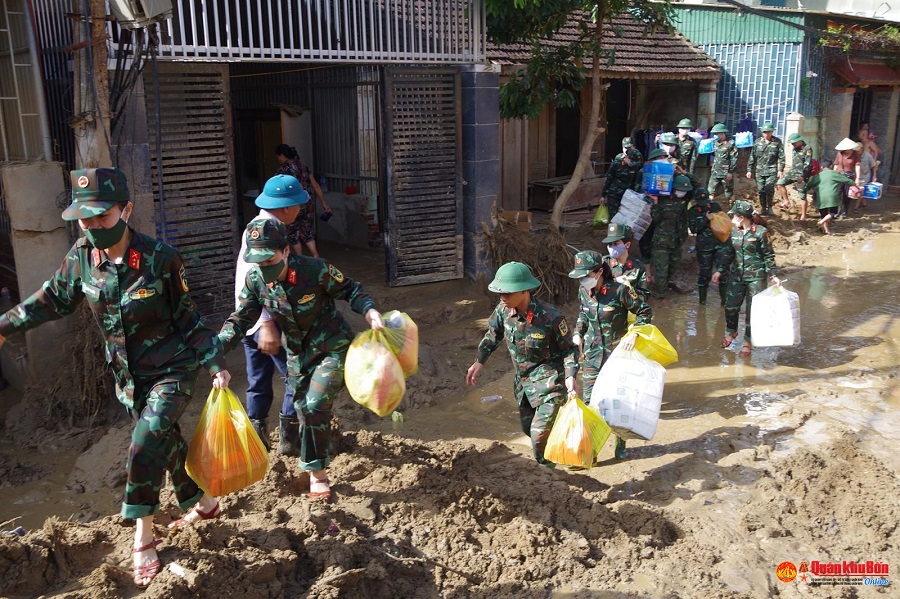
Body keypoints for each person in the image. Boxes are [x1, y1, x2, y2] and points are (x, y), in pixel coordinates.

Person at [0, 167, 231, 587]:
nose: (91, 227)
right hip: (128, 379)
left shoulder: (161, 258)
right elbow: (51, 300)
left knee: (145, 441)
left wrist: (214, 363)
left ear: (126, 210)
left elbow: (189, 319)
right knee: (168, 441)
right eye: (84, 219)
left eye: (100, 217)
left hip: (173, 370)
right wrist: (4, 327)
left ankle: (143, 535)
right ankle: (204, 502)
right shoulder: (81, 259)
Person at [219, 219, 384, 502]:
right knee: (303, 409)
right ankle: (321, 442)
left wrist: (369, 312)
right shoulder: (256, 279)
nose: (264, 267)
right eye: (257, 261)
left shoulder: (314, 270)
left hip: (332, 347)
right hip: (297, 353)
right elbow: (240, 319)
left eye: (269, 259)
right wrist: (215, 348)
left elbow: (350, 289)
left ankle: (317, 474)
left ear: (285, 251)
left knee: (314, 404)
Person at [466, 262, 578, 468]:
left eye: (507, 293)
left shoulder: (551, 317)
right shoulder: (502, 311)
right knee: (528, 429)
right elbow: (492, 336)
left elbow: (569, 349)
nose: (502, 298)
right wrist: (478, 362)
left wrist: (571, 376)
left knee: (537, 435)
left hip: (550, 382)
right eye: (500, 293)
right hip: (523, 384)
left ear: (524, 290)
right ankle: (563, 450)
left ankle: (548, 478)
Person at [236, 174, 310, 455]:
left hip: (250, 321)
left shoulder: (258, 225)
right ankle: (289, 441)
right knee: (296, 377)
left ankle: (258, 442)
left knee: (258, 382)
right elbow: (254, 278)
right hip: (266, 321)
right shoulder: (268, 230)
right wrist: (266, 324)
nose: (300, 210)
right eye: (298, 206)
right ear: (287, 207)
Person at [568, 251, 651, 461]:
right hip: (592, 355)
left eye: (585, 275)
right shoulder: (583, 291)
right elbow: (582, 314)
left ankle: (620, 443)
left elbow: (644, 312)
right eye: (579, 277)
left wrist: (634, 334)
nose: (582, 280)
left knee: (617, 402)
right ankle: (591, 448)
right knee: (589, 403)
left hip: (617, 355)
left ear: (598, 272)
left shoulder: (620, 291)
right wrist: (578, 334)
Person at [712, 199, 780, 357]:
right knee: (730, 306)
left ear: (741, 217)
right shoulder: (734, 231)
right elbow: (728, 252)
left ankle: (747, 342)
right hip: (737, 275)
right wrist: (719, 270)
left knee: (752, 311)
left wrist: (773, 275)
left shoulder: (761, 232)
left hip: (756, 277)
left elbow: (768, 255)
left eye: (734, 215)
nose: (732, 218)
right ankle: (732, 331)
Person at [274, 144, 331, 258]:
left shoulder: (282, 171)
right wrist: (324, 203)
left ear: (283, 156)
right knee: (307, 231)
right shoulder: (304, 167)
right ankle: (315, 255)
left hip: (292, 206)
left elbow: (277, 190)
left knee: (293, 234)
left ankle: (300, 258)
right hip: (307, 204)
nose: (278, 159)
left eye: (278, 156)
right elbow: (315, 185)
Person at [648, 173, 691, 301]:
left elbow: (697, 184)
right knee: (662, 269)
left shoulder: (683, 201)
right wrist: (655, 203)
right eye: (680, 190)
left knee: (673, 266)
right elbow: (655, 219)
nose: (682, 192)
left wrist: (682, 171)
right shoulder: (662, 200)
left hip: (677, 240)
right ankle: (661, 296)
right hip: (662, 241)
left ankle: (662, 287)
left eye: (684, 191)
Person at [687, 189, 729, 306]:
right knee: (704, 274)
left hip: (719, 245)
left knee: (723, 273)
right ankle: (702, 302)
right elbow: (694, 229)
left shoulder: (715, 206)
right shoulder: (692, 211)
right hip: (704, 246)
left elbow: (723, 223)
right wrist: (706, 219)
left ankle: (724, 303)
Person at [602, 223, 650, 302]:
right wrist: (614, 283)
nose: (611, 247)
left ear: (627, 245)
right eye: (610, 244)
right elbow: (595, 289)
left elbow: (644, 295)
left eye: (616, 244)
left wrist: (629, 290)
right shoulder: (603, 264)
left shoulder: (638, 267)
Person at [804, 159, 852, 235]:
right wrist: (856, 185)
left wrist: (804, 190)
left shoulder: (818, 176)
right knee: (833, 213)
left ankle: (826, 231)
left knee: (824, 215)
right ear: (831, 166)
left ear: (822, 167)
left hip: (821, 198)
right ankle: (821, 222)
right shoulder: (834, 173)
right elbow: (847, 181)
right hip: (832, 198)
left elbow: (809, 185)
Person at [746, 122, 785, 216]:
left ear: (772, 132)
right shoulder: (757, 142)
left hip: (771, 169)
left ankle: (770, 208)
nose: (766, 134)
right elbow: (752, 157)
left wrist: (780, 170)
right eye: (764, 132)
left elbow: (782, 157)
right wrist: (749, 170)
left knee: (769, 188)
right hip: (759, 170)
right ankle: (763, 208)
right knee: (761, 190)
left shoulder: (777, 142)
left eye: (768, 132)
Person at [600, 138, 643, 220]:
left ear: (634, 146)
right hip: (615, 194)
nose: (627, 150)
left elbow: (639, 176)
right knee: (614, 219)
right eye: (625, 148)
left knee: (627, 218)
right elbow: (609, 178)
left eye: (629, 148)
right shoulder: (618, 160)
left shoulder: (637, 157)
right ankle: (614, 232)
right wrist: (603, 195)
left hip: (629, 195)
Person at [775, 133, 813, 220]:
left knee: (802, 196)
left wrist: (803, 176)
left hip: (801, 174)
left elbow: (808, 165)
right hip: (792, 172)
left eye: (794, 143)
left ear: (800, 141)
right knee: (780, 183)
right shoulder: (794, 148)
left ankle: (803, 215)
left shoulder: (807, 149)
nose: (793, 144)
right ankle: (786, 201)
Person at [707, 124, 738, 200]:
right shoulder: (715, 143)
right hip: (715, 171)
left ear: (722, 133)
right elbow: (712, 154)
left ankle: (732, 209)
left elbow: (734, 158)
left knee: (729, 193)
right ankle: (709, 209)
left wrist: (730, 172)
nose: (715, 135)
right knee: (710, 191)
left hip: (726, 172)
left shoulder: (731, 143)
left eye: (716, 133)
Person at [832, 137, 860, 219]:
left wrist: (858, 178)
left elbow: (857, 166)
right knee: (837, 194)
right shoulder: (839, 154)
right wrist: (833, 175)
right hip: (839, 176)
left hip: (849, 177)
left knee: (846, 195)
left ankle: (844, 212)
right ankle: (835, 212)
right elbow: (836, 165)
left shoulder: (855, 155)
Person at [854, 143, 877, 212]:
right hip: (856, 176)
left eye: (858, 150)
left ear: (861, 148)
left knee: (861, 191)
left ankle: (856, 207)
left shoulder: (868, 156)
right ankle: (864, 203)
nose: (857, 152)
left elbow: (874, 165)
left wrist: (874, 176)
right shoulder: (854, 155)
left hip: (865, 176)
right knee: (858, 191)